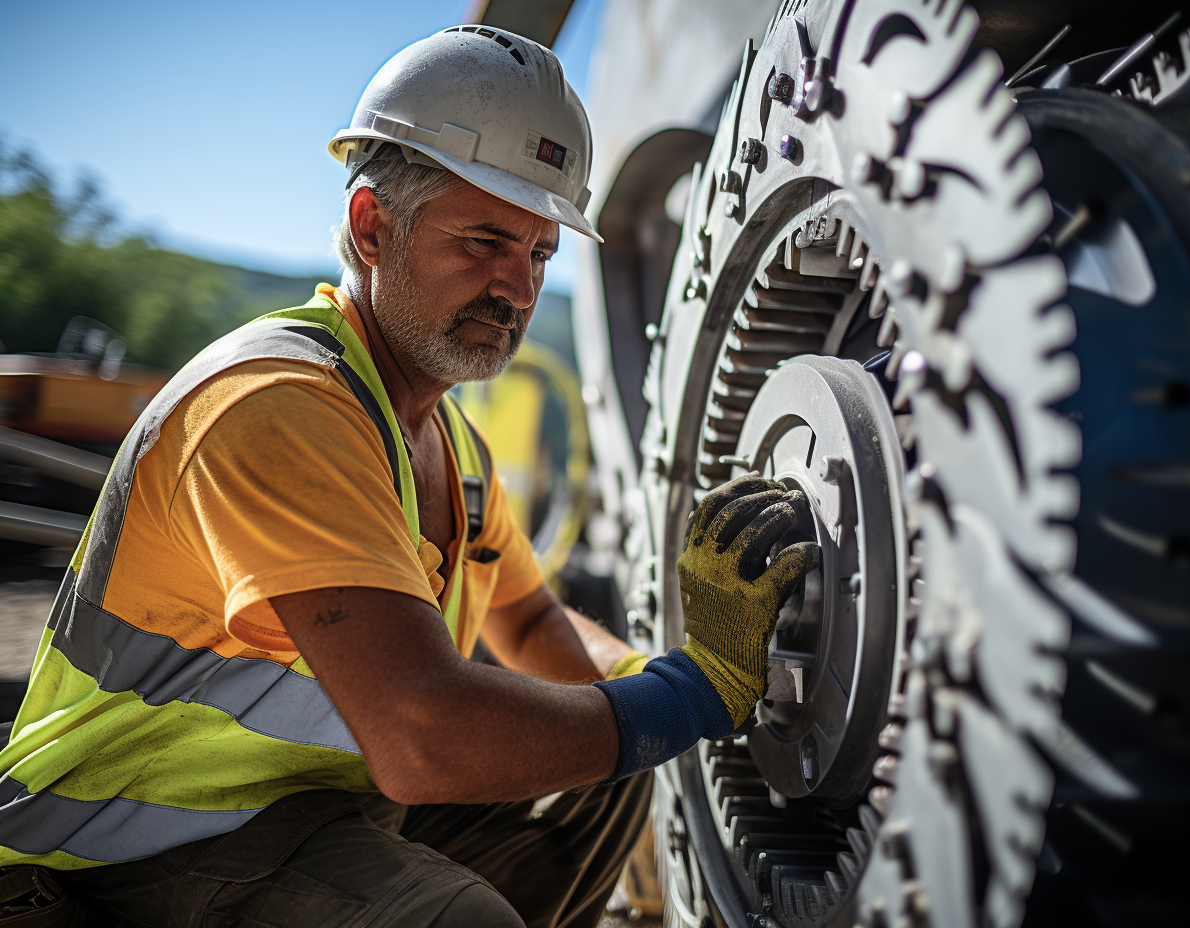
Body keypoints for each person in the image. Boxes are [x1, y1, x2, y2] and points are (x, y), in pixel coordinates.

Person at [0, 26, 817, 928]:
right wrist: (693, 692)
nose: (516, 286)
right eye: (482, 241)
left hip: (310, 809)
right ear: (371, 226)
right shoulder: (277, 405)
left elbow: (531, 620)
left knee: (601, 777)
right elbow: (421, 736)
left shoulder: (446, 448)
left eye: (540, 254)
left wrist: (669, 677)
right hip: (120, 851)